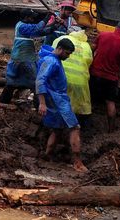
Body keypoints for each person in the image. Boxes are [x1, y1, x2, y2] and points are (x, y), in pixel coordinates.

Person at [36, 38, 88, 172]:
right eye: (67, 53)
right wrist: (42, 103)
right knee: (75, 127)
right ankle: (77, 162)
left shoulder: (50, 58)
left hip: (55, 99)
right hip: (57, 101)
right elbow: (40, 80)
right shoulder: (51, 61)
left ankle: (47, 155)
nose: (68, 56)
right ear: (59, 49)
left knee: (57, 129)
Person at [0, 9, 58, 104]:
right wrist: (47, 17)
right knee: (35, 81)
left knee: (13, 81)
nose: (33, 19)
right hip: (22, 58)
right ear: (26, 17)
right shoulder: (22, 26)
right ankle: (38, 103)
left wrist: (55, 25)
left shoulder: (26, 27)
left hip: (22, 58)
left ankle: (4, 101)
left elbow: (42, 31)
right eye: (31, 17)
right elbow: (38, 28)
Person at [90, 21, 120, 132]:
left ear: (115, 28)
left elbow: (91, 50)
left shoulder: (103, 35)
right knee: (110, 102)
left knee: (89, 99)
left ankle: (86, 124)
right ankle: (111, 129)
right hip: (111, 78)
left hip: (95, 73)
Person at [53, 28, 93, 126]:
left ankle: (58, 126)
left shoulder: (62, 39)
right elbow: (89, 63)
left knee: (60, 104)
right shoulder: (86, 46)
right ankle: (76, 125)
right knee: (77, 104)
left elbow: (52, 54)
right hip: (80, 81)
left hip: (62, 79)